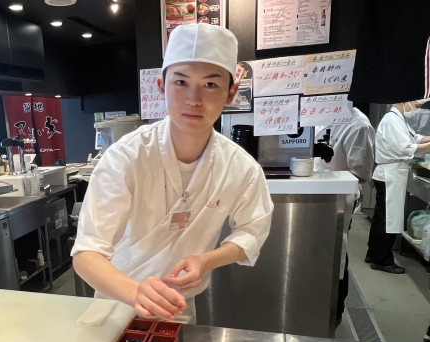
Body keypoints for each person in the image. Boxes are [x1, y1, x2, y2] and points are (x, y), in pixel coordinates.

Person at [71, 24, 274, 324]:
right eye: (180, 82)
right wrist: (135, 292)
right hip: (117, 301)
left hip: (176, 308)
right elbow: (86, 253)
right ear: (160, 86)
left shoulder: (240, 167)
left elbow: (252, 230)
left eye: (210, 84)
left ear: (231, 93)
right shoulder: (126, 156)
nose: (194, 99)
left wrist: (206, 260)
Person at [315, 108, 375, 324]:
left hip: (337, 203)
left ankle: (334, 313)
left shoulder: (358, 125)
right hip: (306, 197)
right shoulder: (309, 113)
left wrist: (328, 172)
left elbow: (361, 174)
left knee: (336, 254)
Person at [366, 100, 430, 274]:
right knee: (388, 219)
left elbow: (414, 137)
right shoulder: (392, 120)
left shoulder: (398, 118)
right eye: (416, 106)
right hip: (390, 174)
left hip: (391, 173)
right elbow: (404, 148)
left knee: (382, 217)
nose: (416, 110)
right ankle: (382, 260)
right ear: (404, 102)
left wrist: (427, 139)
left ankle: (373, 254)